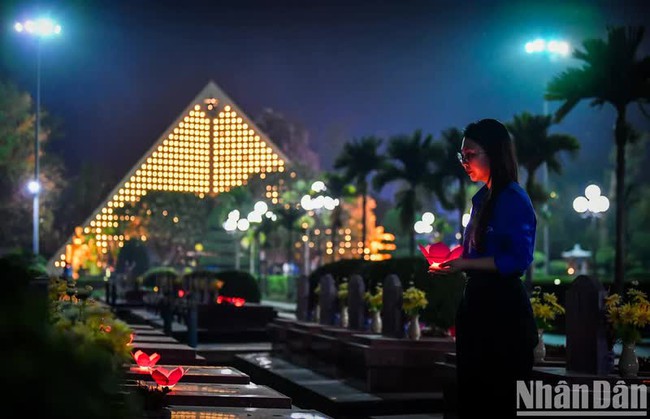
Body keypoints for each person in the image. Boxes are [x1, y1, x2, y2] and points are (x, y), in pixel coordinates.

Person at [429, 118, 538, 417]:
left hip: (502, 313)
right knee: (472, 395)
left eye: (471, 155)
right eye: (461, 156)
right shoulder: (482, 199)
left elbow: (516, 258)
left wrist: (464, 263)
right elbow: (475, 252)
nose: (464, 162)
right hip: (476, 307)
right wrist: (453, 260)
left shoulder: (512, 198)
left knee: (497, 399)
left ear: (495, 153)